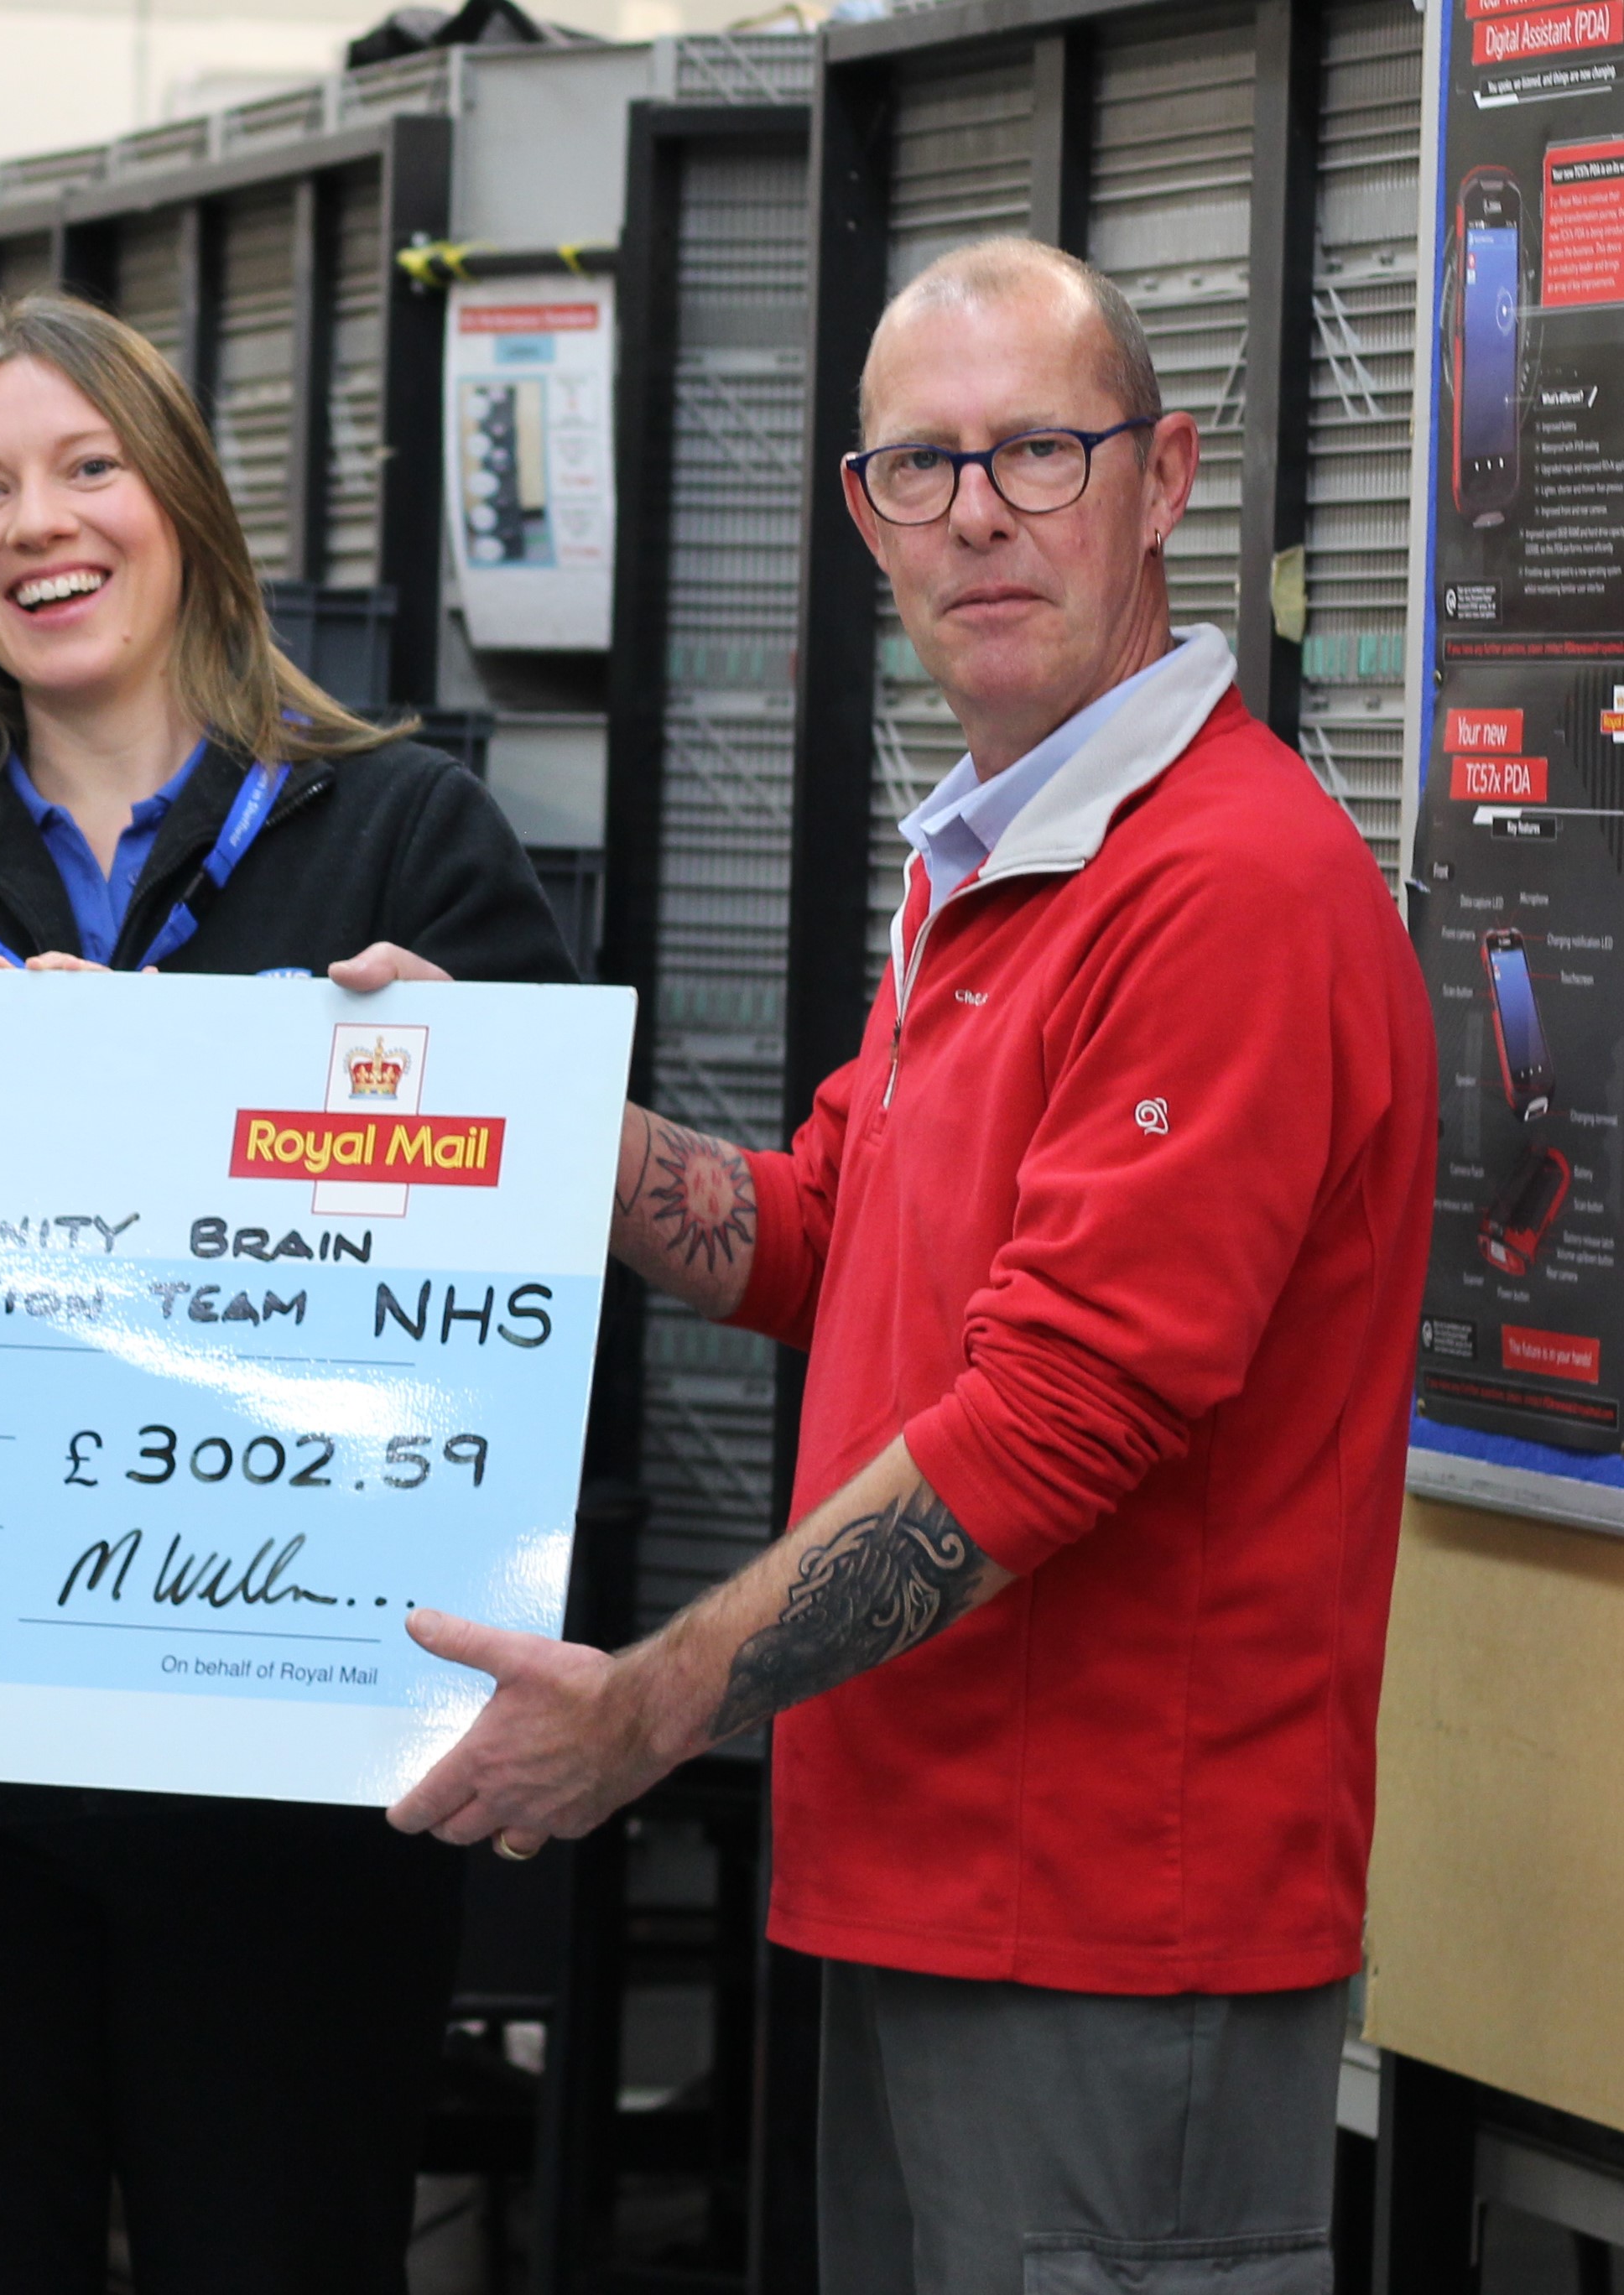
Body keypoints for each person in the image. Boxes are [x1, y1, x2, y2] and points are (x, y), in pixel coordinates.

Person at [373, 239, 1434, 2295]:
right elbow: (824, 1235)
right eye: (921, 466)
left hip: (1115, 1924)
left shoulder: (1225, 886)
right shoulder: (996, 865)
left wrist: (653, 1704)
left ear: (1166, 476)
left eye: (1040, 451)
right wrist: (503, 1114)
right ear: (861, 514)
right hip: (916, 1874)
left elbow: (1063, 1416)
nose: (978, 513)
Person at [0, 290, 575, 2294]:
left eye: (86, 466)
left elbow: (536, 1302)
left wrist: (428, 1099)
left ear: (183, 503)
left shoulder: (410, 844)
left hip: (288, 1780)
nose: (40, 523)